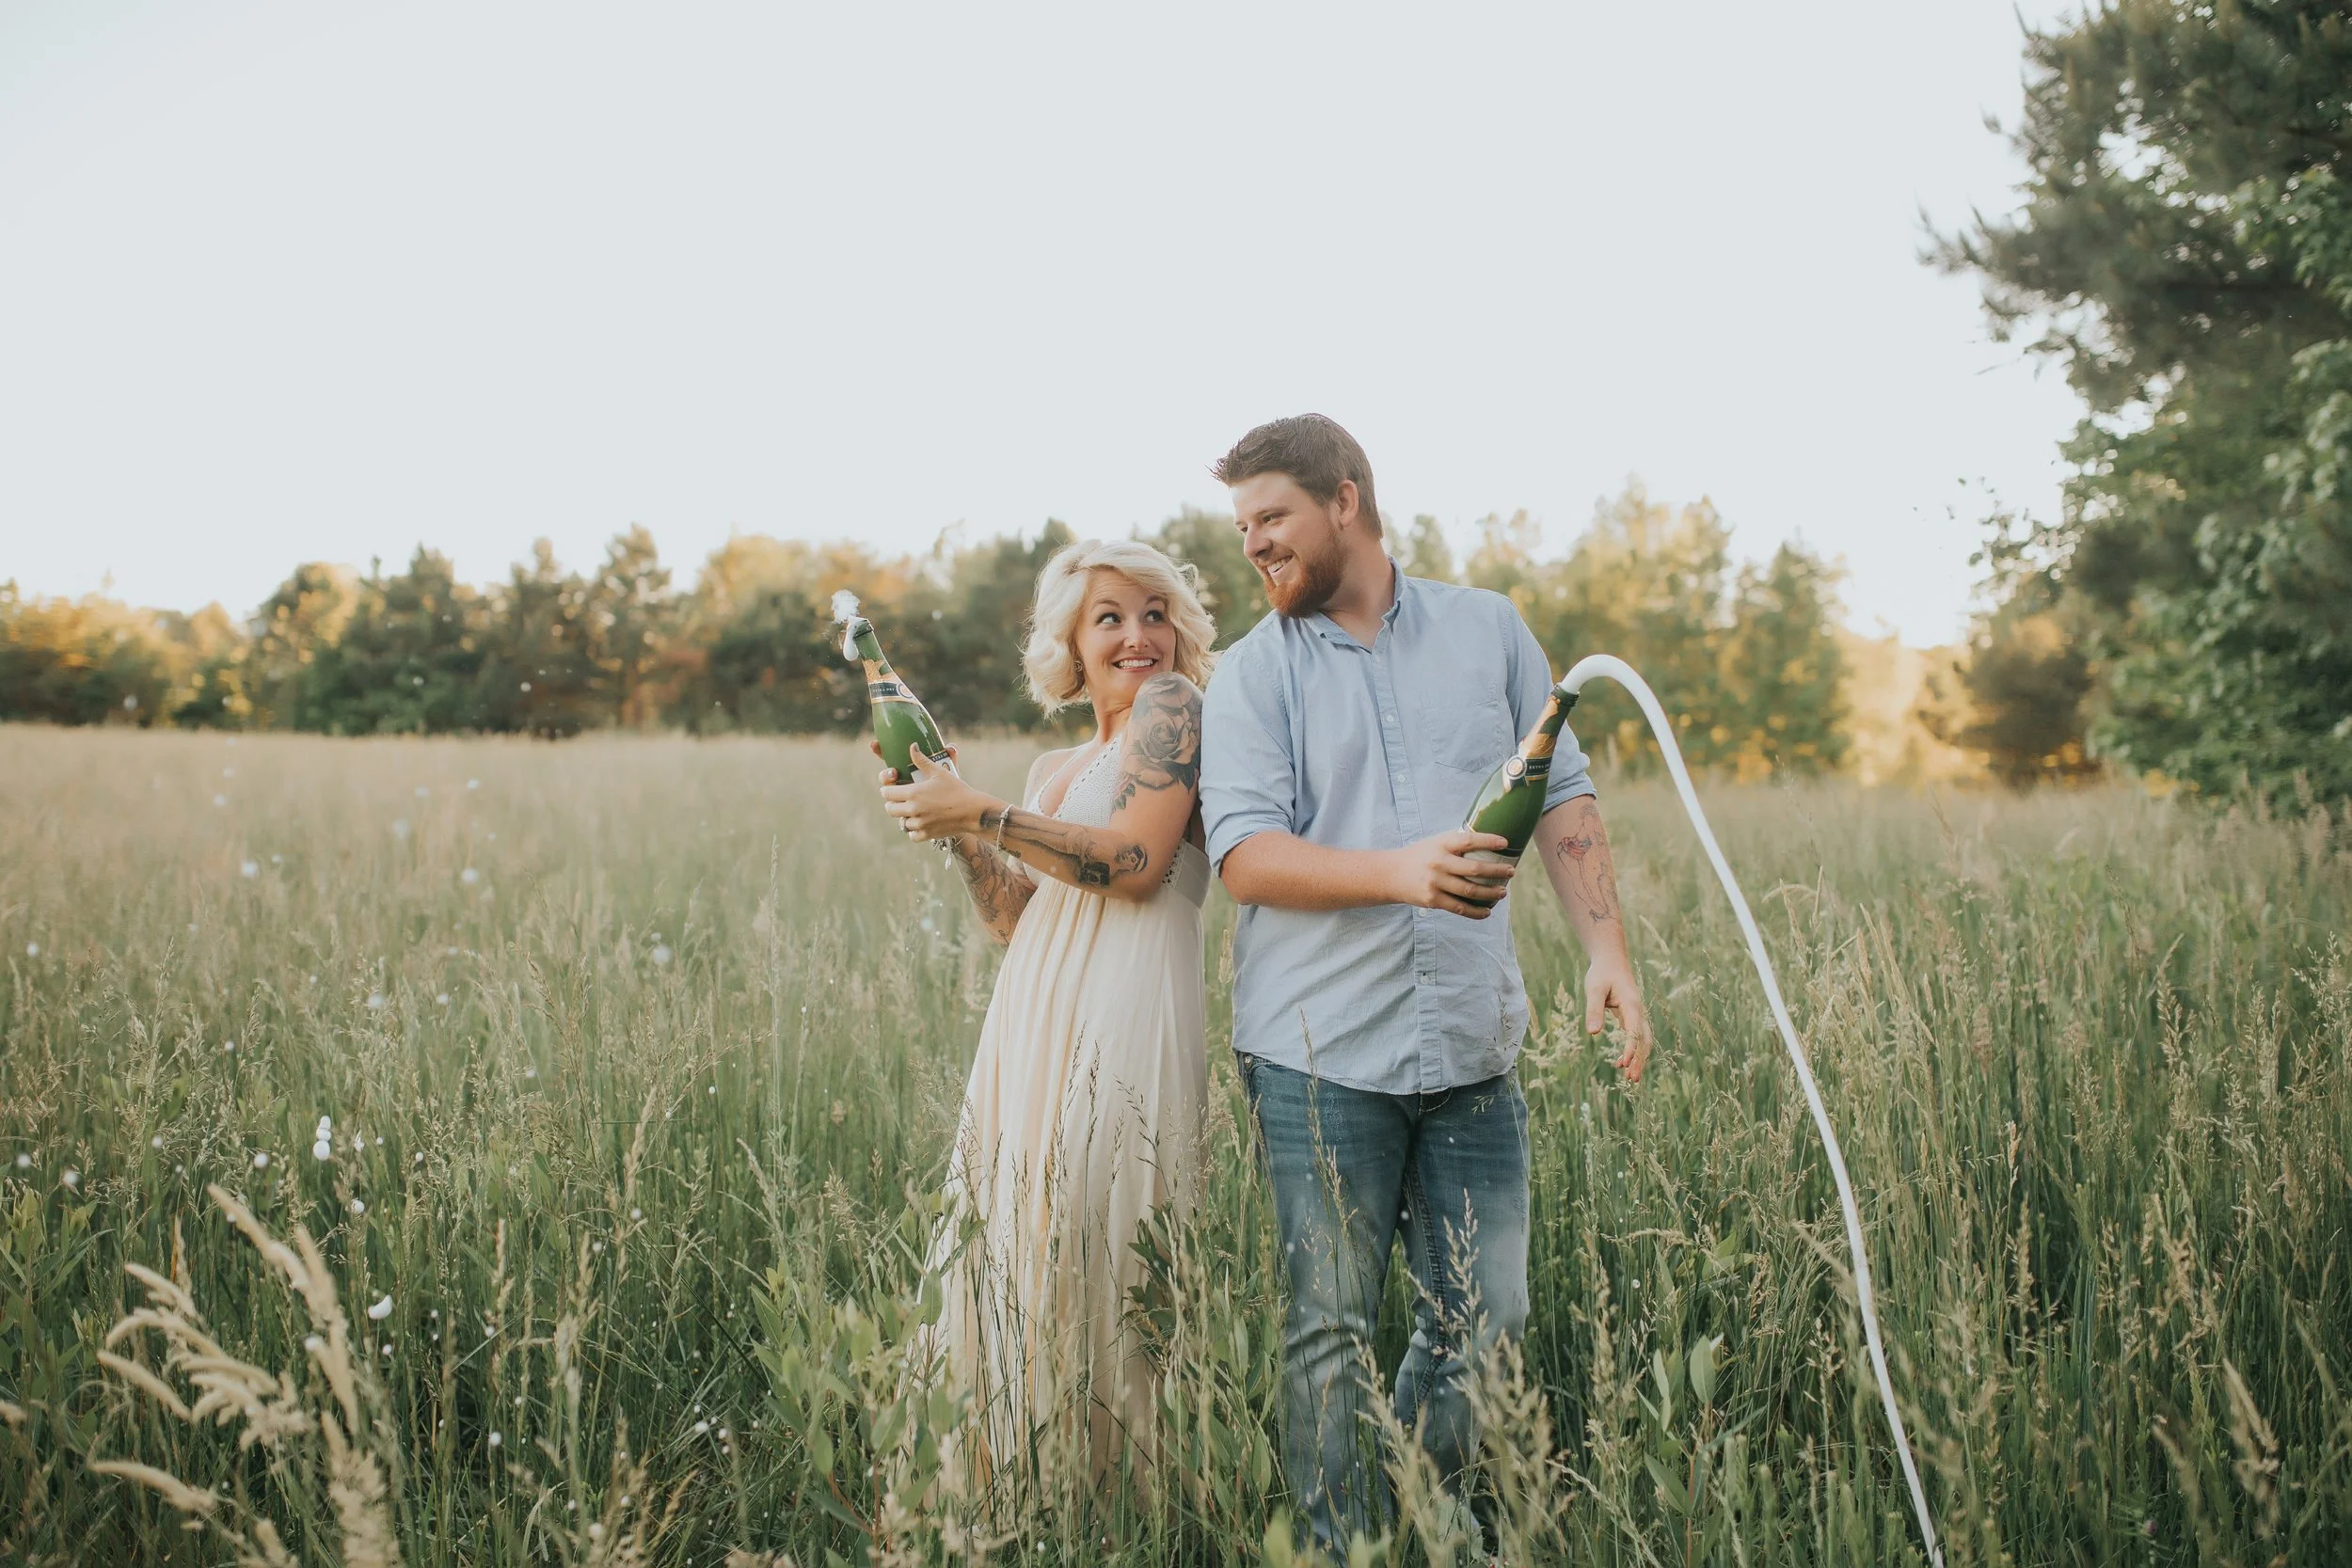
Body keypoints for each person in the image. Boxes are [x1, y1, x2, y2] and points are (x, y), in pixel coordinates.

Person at [1199, 414, 1655, 1553]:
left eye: (1272, 518)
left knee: (1486, 1323)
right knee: (1328, 1330)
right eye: (1241, 526)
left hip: (1470, 1045)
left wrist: (1609, 954)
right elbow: (1245, 852)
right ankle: (1337, 1547)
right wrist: (1400, 871)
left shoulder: (1489, 629)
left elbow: (1560, 790)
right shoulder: (1252, 673)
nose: (1253, 544)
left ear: (1343, 499)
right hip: (1317, 1054)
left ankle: (1414, 1510)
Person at [873, 538, 1215, 1490]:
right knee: (1020, 1235)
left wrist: (978, 811)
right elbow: (1015, 915)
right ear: (1070, 635)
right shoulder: (1056, 762)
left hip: (1130, 1001)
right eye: (1108, 616)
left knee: (1102, 1239)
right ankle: (1017, 1489)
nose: (1136, 634)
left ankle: (1122, 1499)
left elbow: (1135, 863)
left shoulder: (1176, 711)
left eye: (1155, 610)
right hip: (1036, 1011)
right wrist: (955, 827)